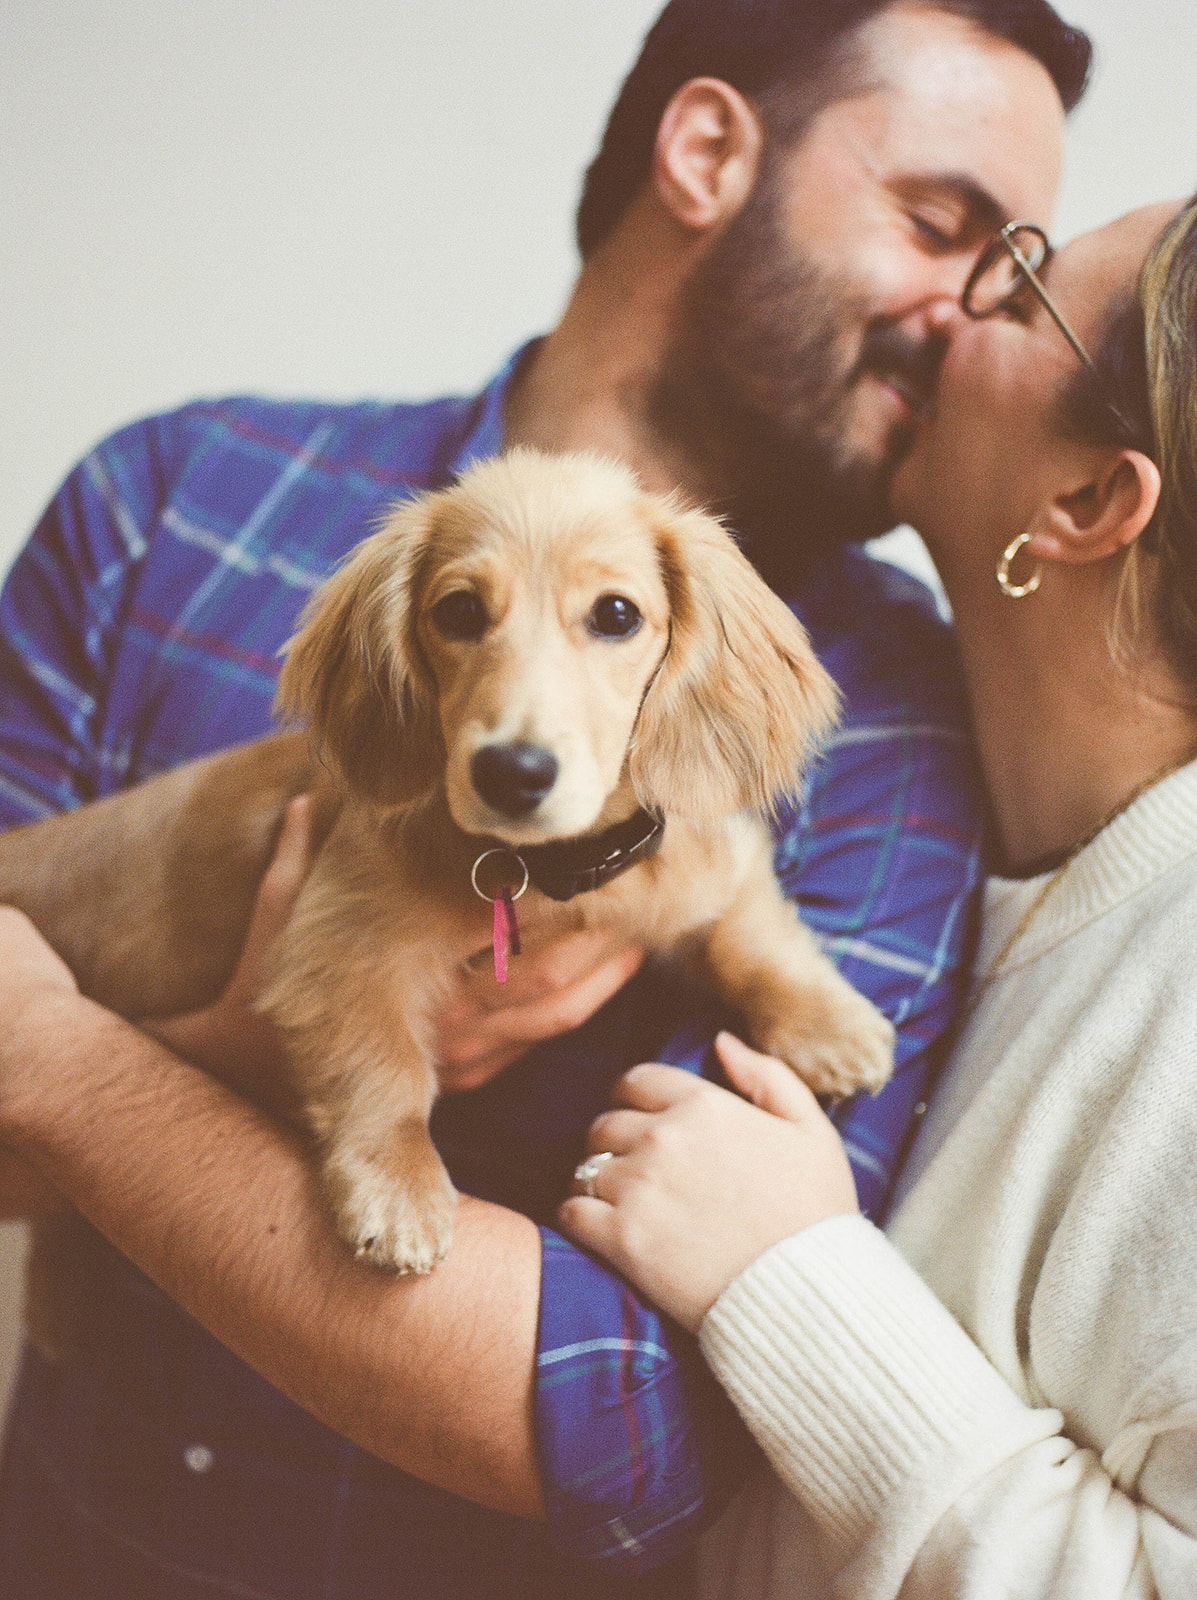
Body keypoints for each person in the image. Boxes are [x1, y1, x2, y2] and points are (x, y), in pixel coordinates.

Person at [0, 1, 1088, 1596]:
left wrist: (63, 1072)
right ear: (708, 151)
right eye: (941, 226)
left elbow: (627, 1423)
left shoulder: (874, 709)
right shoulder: (170, 498)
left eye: (1011, 278)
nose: (969, 320)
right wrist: (211, 1058)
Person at [559, 196, 1197, 1599]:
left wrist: (788, 1277)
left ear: (1086, 504)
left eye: (1013, 285)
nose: (941, 313)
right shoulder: (939, 820)